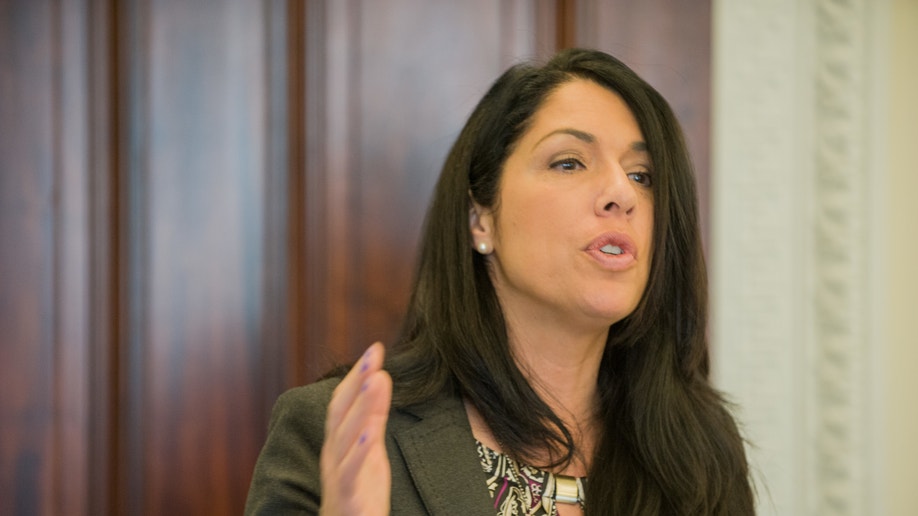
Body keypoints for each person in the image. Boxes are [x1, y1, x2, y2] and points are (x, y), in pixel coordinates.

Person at [245, 48, 754, 515]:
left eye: (642, 175)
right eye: (569, 162)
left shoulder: (700, 451)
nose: (621, 192)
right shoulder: (334, 431)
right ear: (479, 219)